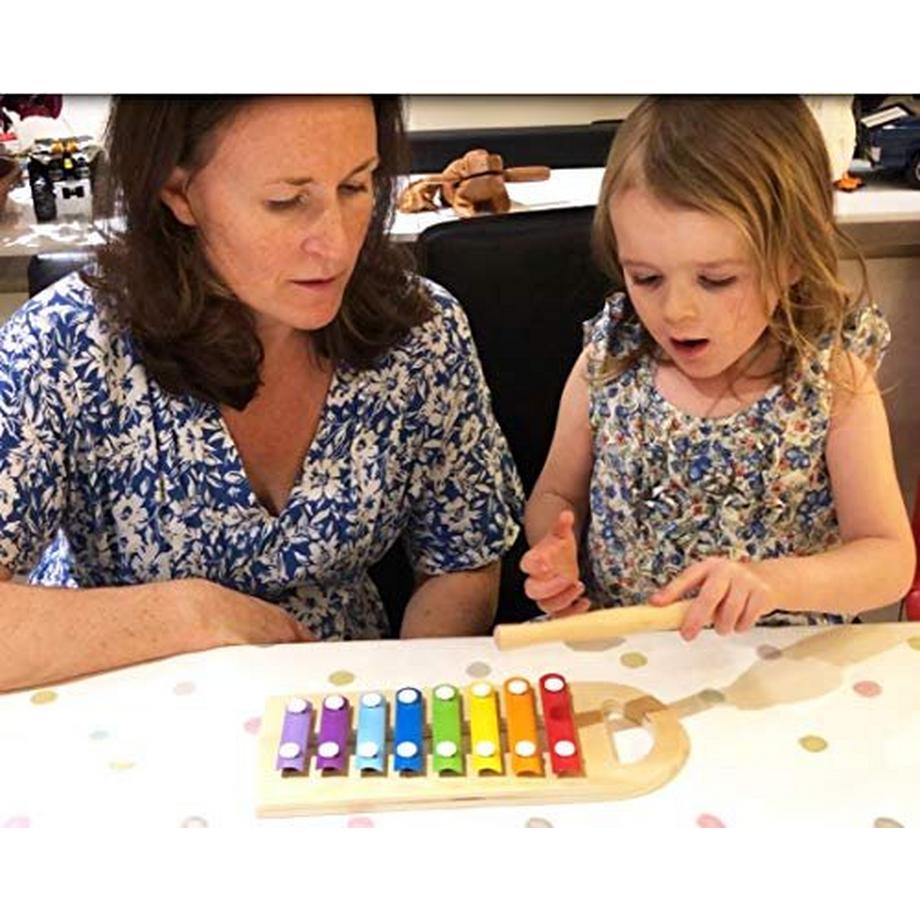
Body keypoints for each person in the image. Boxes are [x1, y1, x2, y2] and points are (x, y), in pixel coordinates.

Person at [0, 96, 523, 692]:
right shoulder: (64, 344)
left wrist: (401, 711)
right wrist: (191, 615)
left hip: (343, 710)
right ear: (179, 193)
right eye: (285, 201)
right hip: (124, 704)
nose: (337, 245)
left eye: (356, 186)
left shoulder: (421, 330)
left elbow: (462, 561)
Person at [520, 96, 915, 641]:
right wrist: (552, 548)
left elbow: (888, 560)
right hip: (623, 653)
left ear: (792, 257)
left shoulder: (831, 380)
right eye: (647, 278)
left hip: (776, 667)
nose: (676, 311)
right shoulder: (609, 358)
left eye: (717, 280)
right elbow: (555, 496)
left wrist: (777, 583)